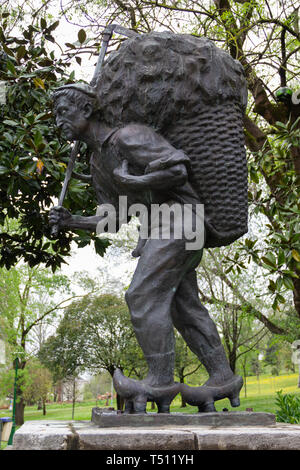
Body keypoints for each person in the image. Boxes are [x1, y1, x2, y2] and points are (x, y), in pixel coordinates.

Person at [50, 83, 243, 413]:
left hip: (183, 220)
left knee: (142, 295)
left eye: (63, 112)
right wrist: (70, 221)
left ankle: (160, 381)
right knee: (183, 306)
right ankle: (222, 376)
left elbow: (179, 170)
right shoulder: (99, 162)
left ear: (85, 110)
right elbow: (111, 218)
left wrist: (135, 182)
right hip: (164, 229)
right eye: (54, 115)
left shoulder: (129, 136)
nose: (57, 122)